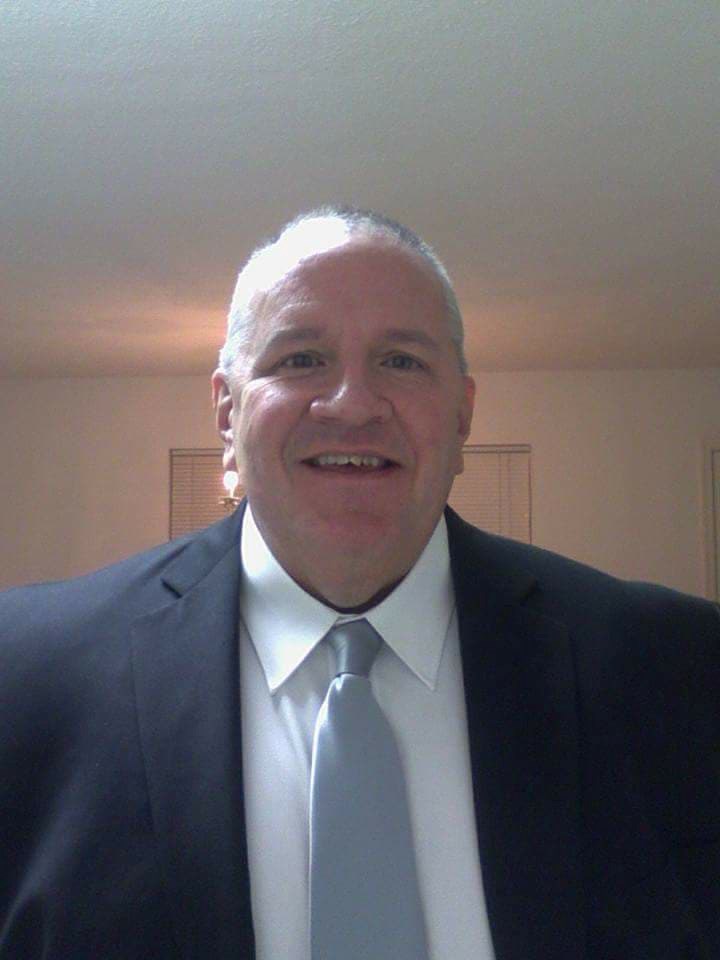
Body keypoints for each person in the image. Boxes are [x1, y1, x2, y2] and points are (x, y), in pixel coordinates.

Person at [1, 206, 718, 960]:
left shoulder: (674, 668)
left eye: (401, 361)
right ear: (227, 413)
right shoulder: (29, 677)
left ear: (462, 414)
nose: (352, 404)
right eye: (301, 359)